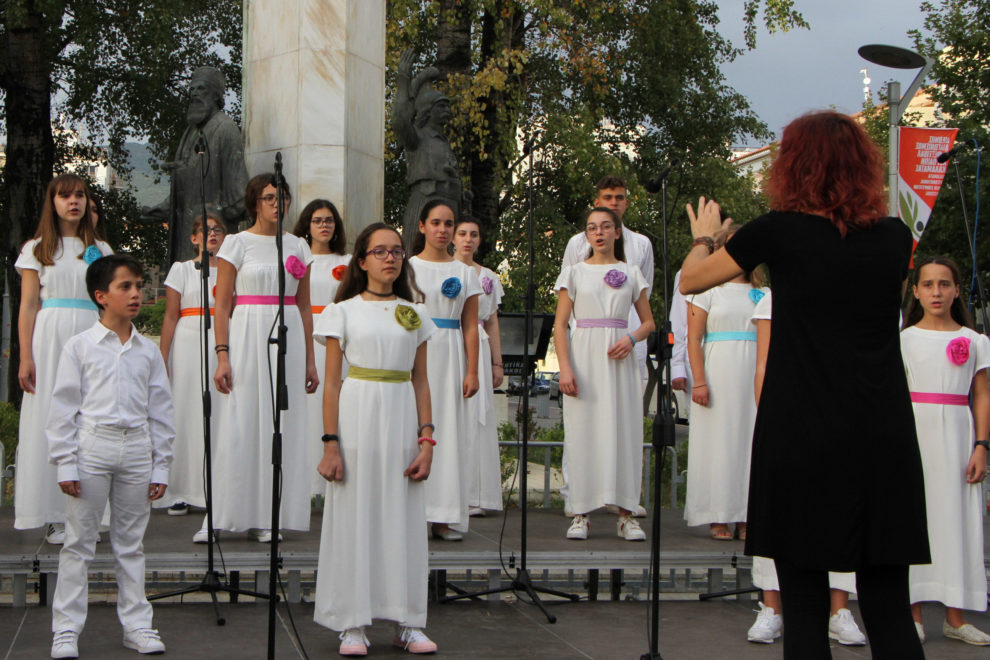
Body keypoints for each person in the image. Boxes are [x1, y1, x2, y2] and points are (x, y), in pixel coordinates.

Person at [680, 110, 928, 660]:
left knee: (805, 607)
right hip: (879, 431)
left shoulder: (779, 231)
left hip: (803, 430)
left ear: (793, 167)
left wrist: (702, 238)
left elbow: (691, 280)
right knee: (889, 606)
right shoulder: (894, 237)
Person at [313, 222, 439, 656]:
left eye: (397, 251)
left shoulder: (416, 312)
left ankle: (409, 621)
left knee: (403, 515)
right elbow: (331, 384)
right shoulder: (342, 311)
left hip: (402, 412)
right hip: (358, 413)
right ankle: (352, 622)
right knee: (355, 514)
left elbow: (422, 382)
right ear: (362, 260)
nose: (390, 258)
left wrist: (427, 441)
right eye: (380, 251)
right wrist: (331, 443)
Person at [48, 254, 174, 659]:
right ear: (101, 296)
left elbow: (161, 410)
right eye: (126, 287)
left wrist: (161, 463)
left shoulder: (147, 351)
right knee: (79, 543)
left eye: (138, 285)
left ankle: (137, 625)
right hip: (93, 446)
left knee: (131, 544)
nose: (136, 294)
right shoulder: (80, 347)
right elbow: (64, 408)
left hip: (137, 447)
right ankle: (66, 630)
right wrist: (66, 461)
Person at [746, 290, 866, 647]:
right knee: (780, 511)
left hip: (842, 415)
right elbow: (764, 363)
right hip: (788, 416)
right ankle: (771, 607)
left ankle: (839, 610)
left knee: (840, 512)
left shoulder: (854, 286)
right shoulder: (773, 296)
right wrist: (770, 419)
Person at [211, 174, 319, 541]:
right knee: (245, 420)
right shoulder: (236, 243)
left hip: (287, 331)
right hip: (246, 333)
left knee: (281, 425)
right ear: (255, 202)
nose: (277, 204)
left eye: (283, 197)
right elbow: (222, 304)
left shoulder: (298, 246)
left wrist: (310, 360)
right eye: (270, 197)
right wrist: (222, 355)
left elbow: (304, 306)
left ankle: (270, 514)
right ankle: (234, 510)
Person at [14, 173, 113, 543]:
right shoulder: (37, 249)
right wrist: (26, 356)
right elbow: (27, 306)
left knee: (91, 417)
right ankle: (54, 512)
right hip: (51, 335)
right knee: (51, 416)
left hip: (91, 332)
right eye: (65, 196)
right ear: (52, 202)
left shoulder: (101, 251)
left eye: (80, 195)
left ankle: (88, 512)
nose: (74, 201)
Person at [902, 256, 990, 646]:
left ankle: (956, 616)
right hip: (913, 434)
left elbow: (982, 394)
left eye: (944, 284)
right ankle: (913, 614)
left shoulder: (975, 342)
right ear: (916, 292)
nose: (936, 292)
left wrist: (981, 445)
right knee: (913, 520)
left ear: (956, 290)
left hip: (957, 435)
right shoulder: (902, 339)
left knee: (956, 522)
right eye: (928, 285)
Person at [554, 207, 655, 541]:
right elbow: (559, 325)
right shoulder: (574, 274)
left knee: (624, 431)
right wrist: (564, 368)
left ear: (617, 232)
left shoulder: (631, 272)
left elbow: (648, 322)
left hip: (619, 361)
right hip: (583, 358)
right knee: (583, 432)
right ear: (586, 235)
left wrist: (631, 338)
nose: (598, 233)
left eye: (605, 227)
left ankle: (627, 514)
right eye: (592, 228)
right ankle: (581, 512)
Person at [683, 224, 765, 541]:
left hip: (753, 374)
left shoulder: (765, 294)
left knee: (750, 442)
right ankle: (718, 513)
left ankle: (747, 514)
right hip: (717, 373)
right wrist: (699, 381)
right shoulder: (707, 291)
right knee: (718, 444)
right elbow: (693, 338)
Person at [409, 200, 481, 541]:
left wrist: (472, 371)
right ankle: (415, 513)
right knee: (414, 430)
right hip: (414, 354)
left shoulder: (465, 273)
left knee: (449, 433)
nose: (442, 230)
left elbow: (470, 325)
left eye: (448, 223)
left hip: (450, 354)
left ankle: (444, 515)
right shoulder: (406, 268)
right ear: (422, 226)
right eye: (435, 223)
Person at [157, 213, 227, 525]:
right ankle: (181, 490)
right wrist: (163, 355)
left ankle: (217, 490)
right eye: (206, 230)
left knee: (220, 415)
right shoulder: (181, 269)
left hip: (221, 341)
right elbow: (171, 315)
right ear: (194, 237)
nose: (212, 235)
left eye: (218, 230)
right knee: (186, 412)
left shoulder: (230, 271)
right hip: (187, 340)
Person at [142, 66, 248, 262]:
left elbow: (239, 195)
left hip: (213, 238)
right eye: (192, 90)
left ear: (216, 95)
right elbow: (186, 186)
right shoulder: (191, 131)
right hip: (185, 233)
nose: (195, 95)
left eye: (201, 90)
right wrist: (162, 209)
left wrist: (216, 220)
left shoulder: (225, 129)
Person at [291, 199, 351, 498]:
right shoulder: (297, 260)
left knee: (336, 403)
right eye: (317, 220)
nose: (324, 225)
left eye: (329, 220)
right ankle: (302, 482)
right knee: (305, 407)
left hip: (337, 337)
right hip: (304, 330)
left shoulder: (349, 261)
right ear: (307, 226)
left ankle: (332, 479)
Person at [451, 217, 505, 516]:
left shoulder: (488, 277)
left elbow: (493, 320)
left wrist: (497, 363)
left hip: (480, 346)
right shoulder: (447, 271)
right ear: (453, 238)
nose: (467, 239)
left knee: (476, 416)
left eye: (473, 234)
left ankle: (476, 493)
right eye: (462, 234)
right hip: (449, 342)